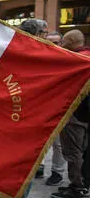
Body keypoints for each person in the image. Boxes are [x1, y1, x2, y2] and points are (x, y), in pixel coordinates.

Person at [0, 19, 45, 198]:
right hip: (22, 116)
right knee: (24, 165)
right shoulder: (33, 53)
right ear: (34, 34)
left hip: (7, 115)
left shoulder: (8, 48)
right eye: (43, 32)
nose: (45, 36)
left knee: (7, 162)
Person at [51, 29, 90, 198]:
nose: (61, 45)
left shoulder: (78, 59)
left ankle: (77, 187)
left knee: (72, 151)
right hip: (85, 114)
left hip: (77, 113)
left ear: (74, 42)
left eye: (64, 42)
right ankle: (82, 183)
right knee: (81, 150)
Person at [43, 31, 66, 186]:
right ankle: (39, 166)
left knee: (58, 144)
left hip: (59, 108)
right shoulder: (39, 57)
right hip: (40, 107)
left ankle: (57, 171)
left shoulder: (68, 60)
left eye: (56, 42)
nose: (52, 44)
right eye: (49, 41)